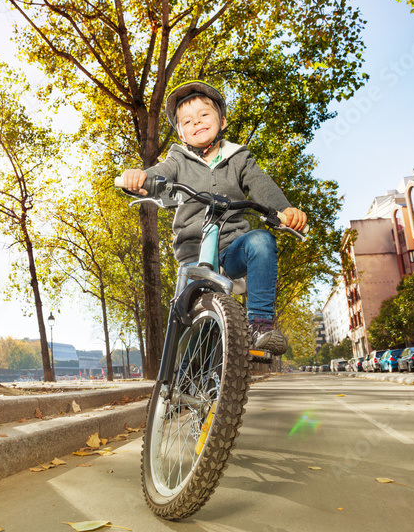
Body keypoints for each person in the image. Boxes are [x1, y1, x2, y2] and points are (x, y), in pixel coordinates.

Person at [119, 81, 307, 354]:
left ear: (222, 121)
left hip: (233, 248)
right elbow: (160, 172)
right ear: (182, 134)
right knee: (197, 321)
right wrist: (140, 178)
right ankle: (184, 368)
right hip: (194, 251)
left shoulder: (239, 157)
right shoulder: (178, 159)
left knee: (261, 242)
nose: (197, 122)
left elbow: (261, 183)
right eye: (187, 121)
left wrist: (285, 210)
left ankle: (260, 327)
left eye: (204, 115)